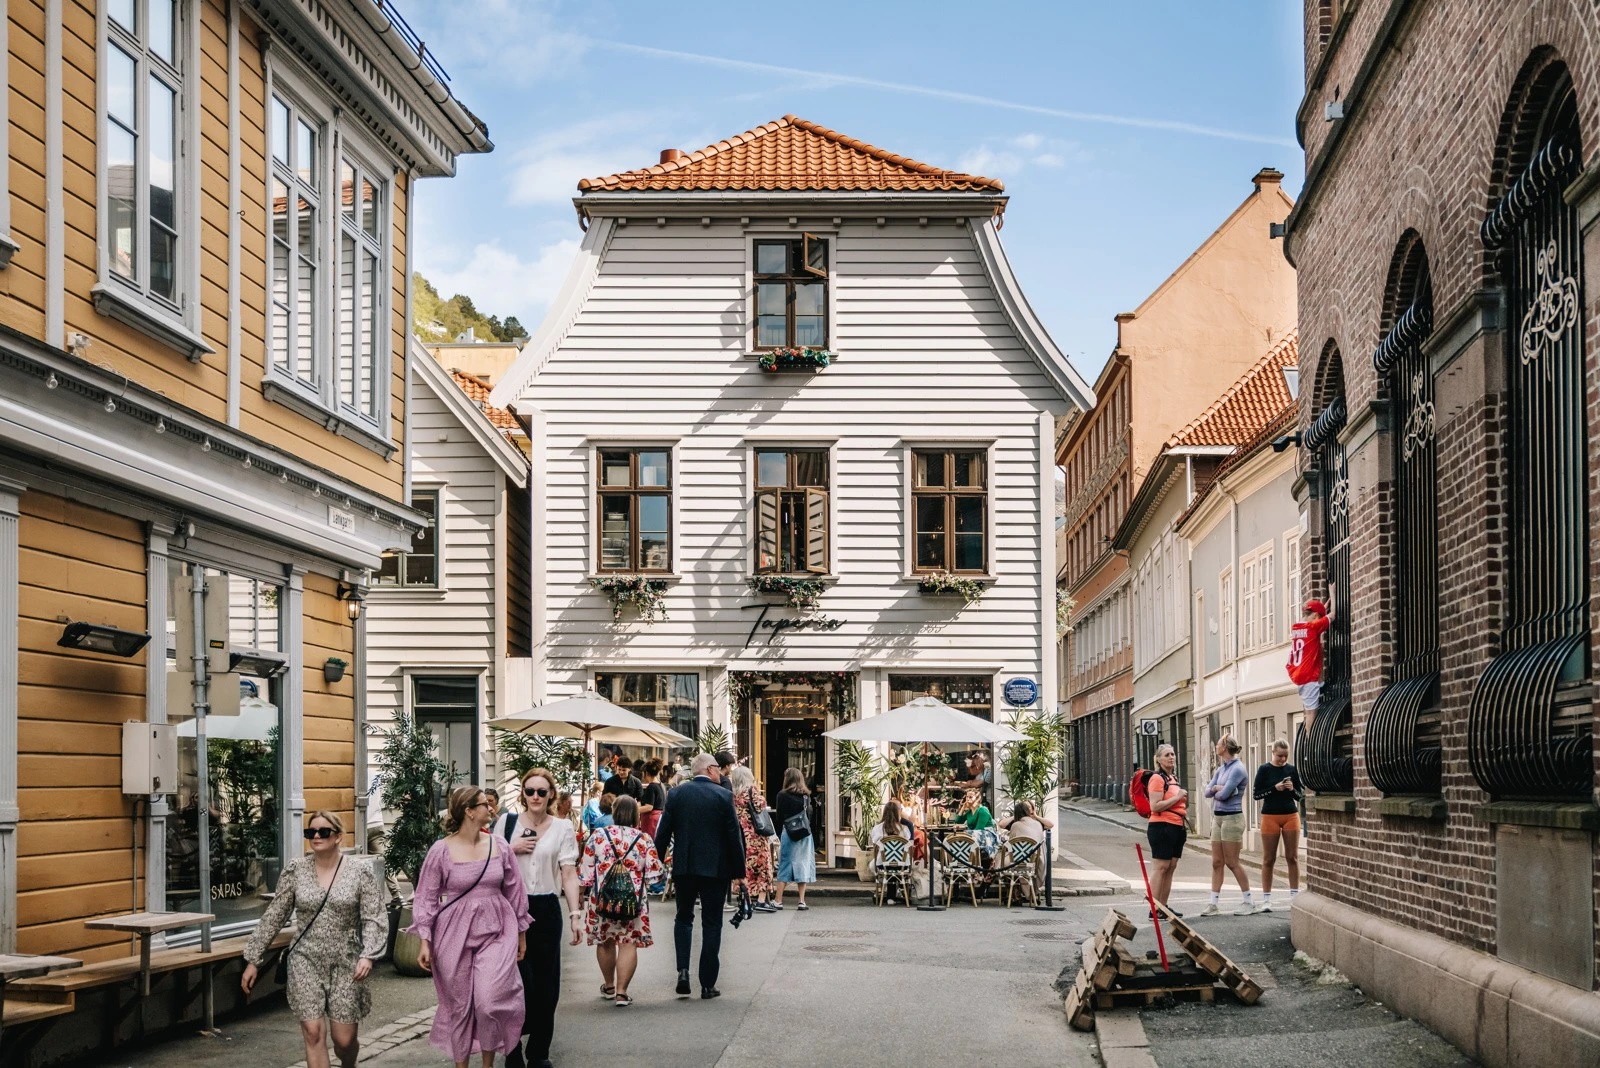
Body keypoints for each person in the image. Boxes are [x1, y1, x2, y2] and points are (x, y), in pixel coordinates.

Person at [242, 812, 385, 1068]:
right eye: (311, 833)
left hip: (346, 960)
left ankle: (348, 1064)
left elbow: (373, 917)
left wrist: (368, 955)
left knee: (344, 1040)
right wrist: (254, 958)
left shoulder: (358, 872)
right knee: (313, 1033)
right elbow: (275, 914)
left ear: (338, 836)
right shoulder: (297, 870)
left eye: (323, 832)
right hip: (305, 959)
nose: (316, 837)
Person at [410, 786, 529, 1068]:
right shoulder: (441, 850)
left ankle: (487, 1065)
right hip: (454, 933)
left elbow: (515, 890)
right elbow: (425, 896)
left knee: (488, 1001)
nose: (491, 807)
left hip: (497, 929)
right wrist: (425, 940)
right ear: (469, 811)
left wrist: (522, 932)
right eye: (484, 804)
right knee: (460, 1005)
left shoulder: (499, 846)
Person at [499, 768, 583, 1068]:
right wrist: (512, 848)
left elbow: (569, 873)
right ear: (523, 793)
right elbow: (490, 863)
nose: (535, 796)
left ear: (550, 795)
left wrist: (575, 914)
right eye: (529, 790)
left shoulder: (562, 828)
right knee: (513, 983)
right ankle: (510, 1049)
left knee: (546, 985)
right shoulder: (506, 823)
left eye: (541, 792)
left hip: (546, 908)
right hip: (509, 909)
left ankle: (538, 1051)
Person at [653, 752, 746, 999]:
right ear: (709, 769)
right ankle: (707, 983)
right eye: (717, 768)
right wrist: (740, 872)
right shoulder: (724, 796)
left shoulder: (676, 794)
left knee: (683, 918)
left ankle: (683, 971)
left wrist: (654, 862)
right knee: (712, 922)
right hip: (716, 870)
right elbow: (733, 837)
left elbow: (663, 833)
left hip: (684, 867)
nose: (720, 773)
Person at [580, 796, 665, 1007]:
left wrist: (581, 897)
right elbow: (655, 874)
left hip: (602, 900)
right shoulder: (644, 839)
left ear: (615, 813)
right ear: (636, 815)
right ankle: (621, 992)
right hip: (633, 902)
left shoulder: (598, 836)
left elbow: (586, 872)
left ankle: (608, 985)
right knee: (628, 943)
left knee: (605, 941)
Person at [1202, 735, 1254, 916]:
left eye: (1218, 744)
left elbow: (1224, 795)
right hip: (1218, 818)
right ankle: (1213, 904)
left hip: (1232, 817)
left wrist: (1219, 790)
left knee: (1232, 862)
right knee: (1217, 862)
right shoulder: (1221, 769)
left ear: (1224, 747)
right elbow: (1207, 791)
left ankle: (1248, 901)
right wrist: (1218, 789)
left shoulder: (1238, 769)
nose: (1216, 746)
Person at [1253, 738, 1305, 912]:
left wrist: (1292, 789)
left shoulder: (1292, 770)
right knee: (1269, 858)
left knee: (1292, 857)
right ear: (1273, 753)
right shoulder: (1264, 769)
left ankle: (1294, 895)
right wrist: (1275, 788)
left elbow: (1300, 796)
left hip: (1290, 814)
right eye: (1280, 756)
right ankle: (1266, 899)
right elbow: (1256, 795)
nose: (1283, 759)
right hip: (1270, 815)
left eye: (1286, 756)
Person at [1145, 744, 1188, 917]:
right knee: (1161, 867)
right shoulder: (1157, 778)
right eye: (1167, 755)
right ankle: (1154, 908)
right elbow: (1154, 806)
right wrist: (1178, 797)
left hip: (1177, 826)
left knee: (1171, 866)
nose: (1171, 757)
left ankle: (1163, 906)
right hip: (1162, 826)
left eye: (1173, 753)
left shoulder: (1173, 778)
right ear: (1158, 759)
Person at [728, 765, 775, 911]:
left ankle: (745, 896)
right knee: (762, 866)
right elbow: (761, 805)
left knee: (746, 866)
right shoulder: (751, 790)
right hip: (756, 834)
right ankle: (761, 900)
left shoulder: (732, 794)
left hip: (741, 835)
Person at [1288, 586, 1335, 730]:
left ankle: (1320, 683)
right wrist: (1332, 593)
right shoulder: (1313, 628)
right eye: (1319, 618)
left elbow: (1318, 617)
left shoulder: (1298, 628)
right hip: (1308, 676)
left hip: (1298, 673)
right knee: (1311, 712)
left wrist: (1322, 608)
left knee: (1308, 707)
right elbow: (1332, 616)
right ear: (1315, 617)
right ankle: (1310, 743)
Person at [773, 766, 816, 911]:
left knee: (785, 863)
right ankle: (802, 901)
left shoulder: (782, 795)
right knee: (802, 864)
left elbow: (779, 817)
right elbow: (809, 816)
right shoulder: (806, 795)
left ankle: (778, 900)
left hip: (789, 832)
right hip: (805, 834)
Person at [999, 800, 1053, 886]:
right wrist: (1015, 816)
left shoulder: (1037, 823)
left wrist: (1036, 816)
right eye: (1025, 807)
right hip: (1034, 861)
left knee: (1000, 859)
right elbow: (1001, 824)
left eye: (1029, 807)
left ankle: (1013, 893)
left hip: (1018, 860)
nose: (1028, 809)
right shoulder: (1019, 822)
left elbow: (1050, 824)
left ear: (1033, 809)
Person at [638, 759, 668, 838]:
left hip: (651, 820)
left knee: (649, 842)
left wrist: (634, 809)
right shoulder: (662, 785)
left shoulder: (651, 787)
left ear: (646, 773)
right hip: (659, 818)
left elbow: (649, 807)